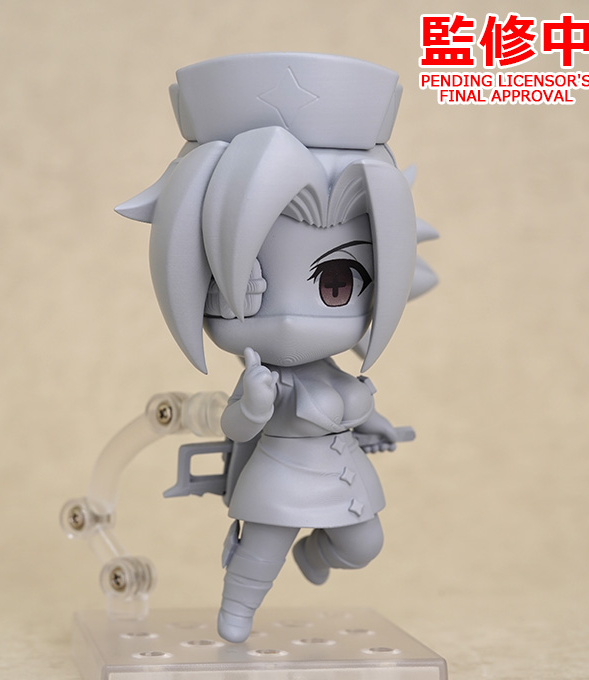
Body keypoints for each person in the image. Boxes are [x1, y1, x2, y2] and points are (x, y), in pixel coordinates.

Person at [116, 53, 437, 642]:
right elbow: (236, 426)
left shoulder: (336, 371)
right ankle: (237, 611)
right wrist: (255, 406)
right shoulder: (263, 375)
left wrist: (378, 424)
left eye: (338, 283)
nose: (290, 319)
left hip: (343, 473)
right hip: (279, 474)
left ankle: (315, 557)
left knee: (364, 543)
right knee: (262, 549)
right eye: (242, 283)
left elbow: (348, 405)